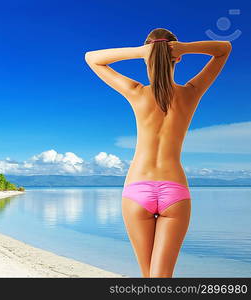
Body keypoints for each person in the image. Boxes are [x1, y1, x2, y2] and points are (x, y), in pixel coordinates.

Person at [84, 28, 231, 277]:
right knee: (162, 279)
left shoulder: (136, 92)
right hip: (174, 189)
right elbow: (223, 49)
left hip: (136, 189)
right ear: (178, 58)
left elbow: (92, 57)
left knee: (148, 279)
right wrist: (184, 48)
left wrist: (142, 52)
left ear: (147, 57)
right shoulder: (190, 93)